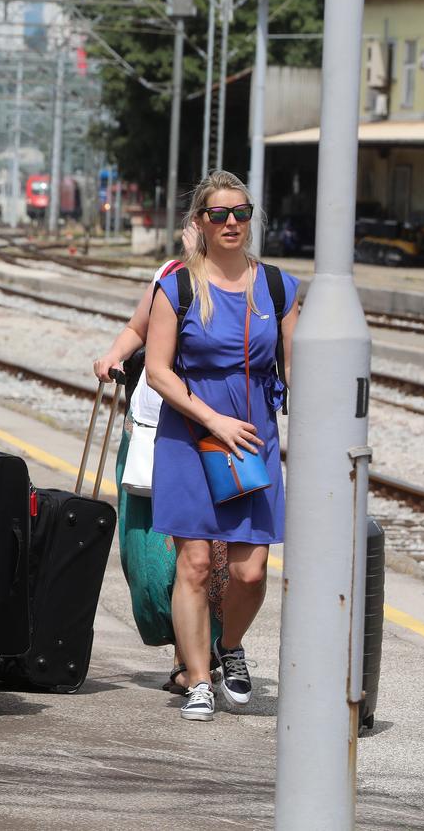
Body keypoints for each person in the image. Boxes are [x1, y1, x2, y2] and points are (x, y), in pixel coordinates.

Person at [143, 171, 298, 722]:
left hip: (253, 441)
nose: (232, 223)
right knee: (196, 562)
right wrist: (213, 419)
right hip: (191, 434)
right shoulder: (179, 286)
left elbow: (295, 367)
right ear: (200, 223)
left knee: (250, 571)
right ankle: (199, 677)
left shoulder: (277, 287)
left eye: (241, 212)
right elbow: (159, 372)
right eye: (219, 214)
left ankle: (228, 645)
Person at [92, 224, 201, 693]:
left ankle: (194, 660)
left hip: (202, 435)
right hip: (147, 430)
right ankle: (189, 650)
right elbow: (139, 327)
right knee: (145, 557)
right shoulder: (170, 275)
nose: (199, 230)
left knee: (196, 557)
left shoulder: (244, 285)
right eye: (203, 218)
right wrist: (113, 354)